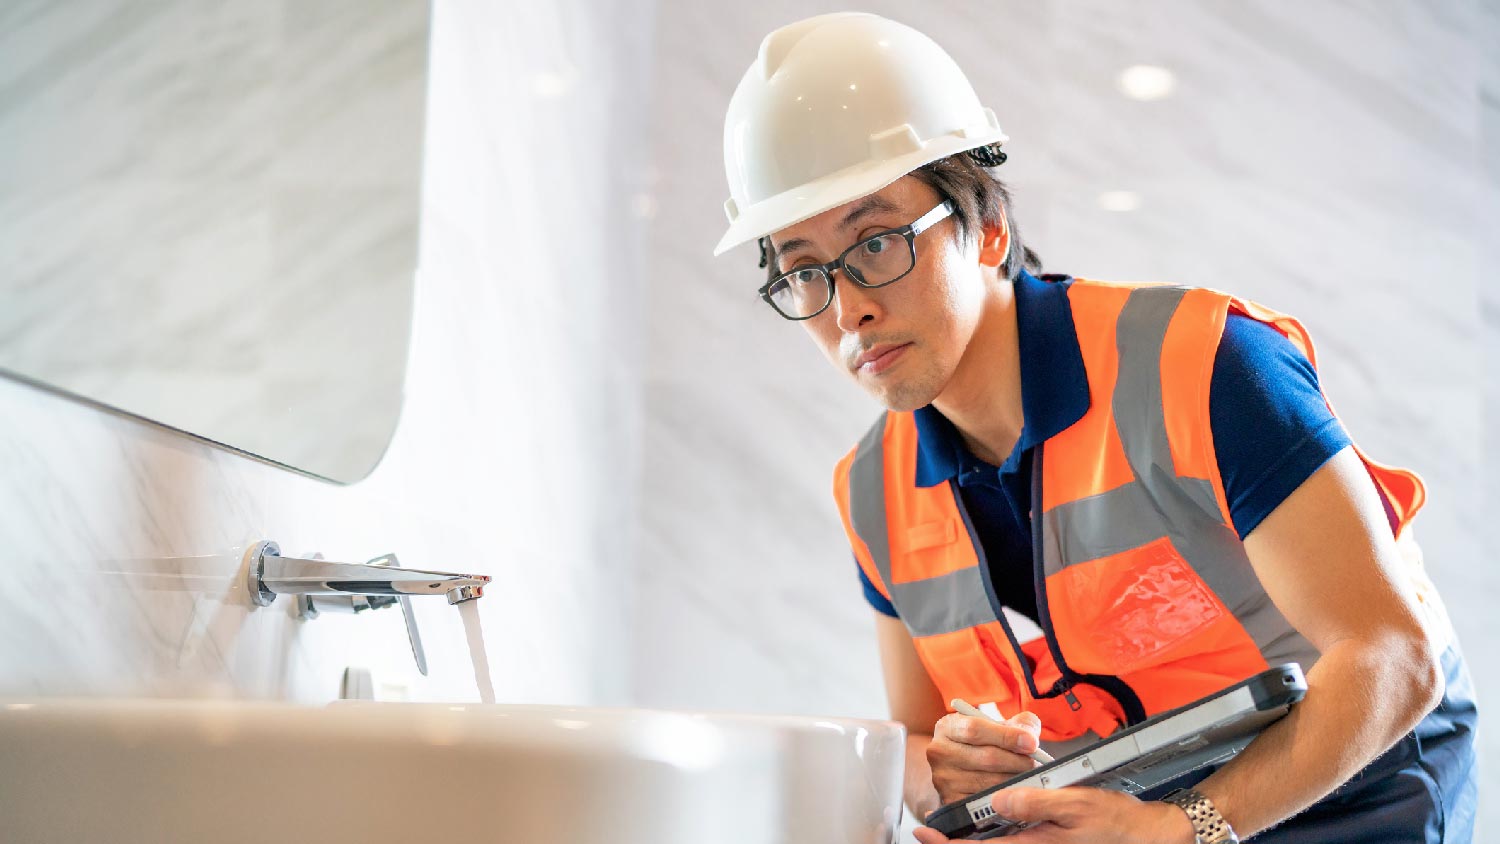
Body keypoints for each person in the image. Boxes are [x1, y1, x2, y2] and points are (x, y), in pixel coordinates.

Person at [712, 12, 1477, 844]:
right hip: (1136, 805)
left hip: (1355, 785)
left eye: (880, 242)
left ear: (989, 230)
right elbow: (921, 743)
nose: (851, 307)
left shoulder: (1205, 365)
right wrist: (958, 768)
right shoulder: (872, 490)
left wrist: (1178, 831)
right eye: (803, 271)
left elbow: (1394, 657)